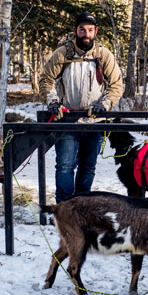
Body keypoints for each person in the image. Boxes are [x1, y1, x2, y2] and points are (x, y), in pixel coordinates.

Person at [39, 12, 124, 203]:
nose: (86, 33)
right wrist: (52, 101)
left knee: (88, 167)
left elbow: (116, 85)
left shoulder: (104, 55)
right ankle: (64, 208)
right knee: (65, 166)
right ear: (75, 31)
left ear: (95, 32)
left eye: (90, 30)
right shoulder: (62, 53)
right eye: (82, 29)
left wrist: (104, 104)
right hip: (67, 120)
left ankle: (82, 207)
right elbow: (46, 80)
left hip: (94, 121)